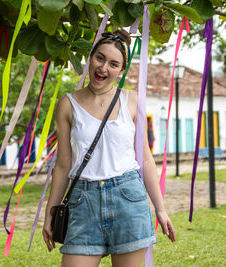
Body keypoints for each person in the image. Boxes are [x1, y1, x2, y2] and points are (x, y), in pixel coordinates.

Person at [43, 29, 175, 267]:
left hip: (128, 198)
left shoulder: (132, 100)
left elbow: (145, 159)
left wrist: (161, 209)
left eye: (113, 64)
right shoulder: (67, 104)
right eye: (100, 58)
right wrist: (50, 214)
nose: (104, 68)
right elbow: (63, 165)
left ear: (121, 71)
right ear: (90, 57)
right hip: (83, 202)